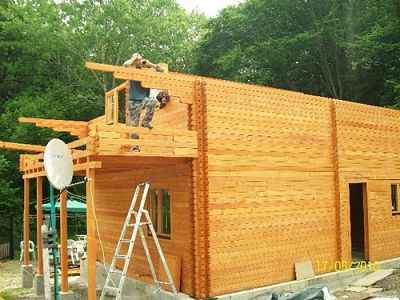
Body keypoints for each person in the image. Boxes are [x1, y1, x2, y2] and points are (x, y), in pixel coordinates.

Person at [123, 53, 165, 129]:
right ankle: (134, 139)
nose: (139, 62)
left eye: (140, 60)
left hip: (144, 99)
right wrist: (133, 59)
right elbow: (125, 65)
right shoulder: (131, 70)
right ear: (134, 61)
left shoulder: (147, 70)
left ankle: (146, 121)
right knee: (134, 125)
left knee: (153, 101)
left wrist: (151, 64)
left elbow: (162, 70)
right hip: (134, 101)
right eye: (137, 60)